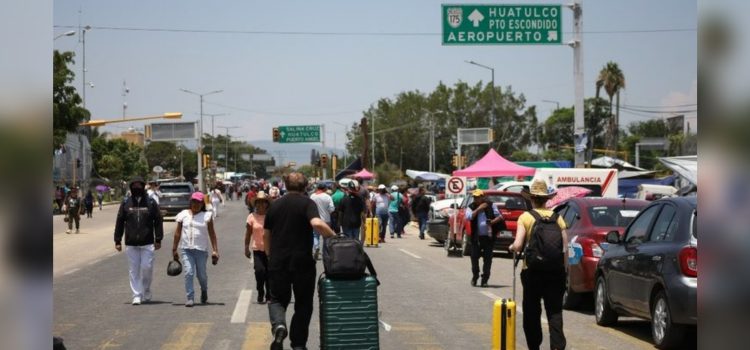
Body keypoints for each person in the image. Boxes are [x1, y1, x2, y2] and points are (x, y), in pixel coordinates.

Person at [263, 172, 336, 350]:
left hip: (278, 262)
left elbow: (266, 235)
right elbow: (317, 224)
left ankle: (279, 325)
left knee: (277, 299)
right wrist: (334, 237)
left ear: (286, 186)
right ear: (305, 187)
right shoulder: (307, 203)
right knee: (303, 304)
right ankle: (298, 344)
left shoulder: (275, 205)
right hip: (302, 262)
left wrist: (270, 255)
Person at [509, 179, 568, 350]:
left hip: (532, 272)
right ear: (547, 199)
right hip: (556, 272)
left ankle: (534, 346)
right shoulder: (558, 218)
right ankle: (557, 346)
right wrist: (564, 272)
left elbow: (518, 245)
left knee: (532, 312)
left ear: (531, 198)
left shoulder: (526, 217)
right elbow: (565, 248)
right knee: (555, 312)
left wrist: (512, 246)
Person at [114, 177, 164, 305]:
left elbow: (158, 220)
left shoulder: (151, 203)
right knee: (133, 269)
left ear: (143, 187)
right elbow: (120, 221)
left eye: (139, 185)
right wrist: (117, 239)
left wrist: (158, 238)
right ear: (131, 187)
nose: (137, 188)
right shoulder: (126, 202)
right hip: (131, 243)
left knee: (147, 267)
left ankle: (146, 289)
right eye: (134, 185)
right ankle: (136, 294)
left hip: (147, 242)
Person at [172, 192, 220, 307]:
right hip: (186, 249)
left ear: (202, 203)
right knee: (189, 272)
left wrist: (215, 250)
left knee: (201, 275)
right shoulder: (183, 214)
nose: (196, 204)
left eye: (199, 202)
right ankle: (190, 297)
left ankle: (204, 290)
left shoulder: (207, 216)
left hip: (201, 250)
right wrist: (174, 249)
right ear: (190, 202)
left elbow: (212, 234)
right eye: (194, 202)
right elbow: (177, 233)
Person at [465, 189, 503, 287]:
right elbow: (469, 217)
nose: (476, 199)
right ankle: (475, 276)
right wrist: (478, 209)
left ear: (483, 197)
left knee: (488, 259)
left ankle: (485, 279)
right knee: (474, 258)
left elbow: (499, 217)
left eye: (478, 197)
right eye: (474, 197)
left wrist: (492, 222)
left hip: (488, 238)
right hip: (476, 238)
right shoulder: (471, 206)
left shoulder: (491, 205)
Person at [245, 191, 271, 304]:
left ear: (267, 204)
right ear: (255, 204)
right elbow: (248, 234)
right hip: (257, 250)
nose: (260, 205)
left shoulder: (271, 216)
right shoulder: (251, 217)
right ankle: (260, 291)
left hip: (270, 250)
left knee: (270, 273)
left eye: (263, 202)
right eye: (258, 202)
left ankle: (269, 295)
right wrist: (246, 248)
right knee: (260, 271)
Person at [310, 182, 334, 260]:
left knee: (315, 235)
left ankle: (316, 247)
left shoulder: (312, 196)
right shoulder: (327, 197)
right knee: (326, 237)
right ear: (325, 189)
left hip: (315, 219)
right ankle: (325, 253)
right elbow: (332, 209)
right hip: (326, 220)